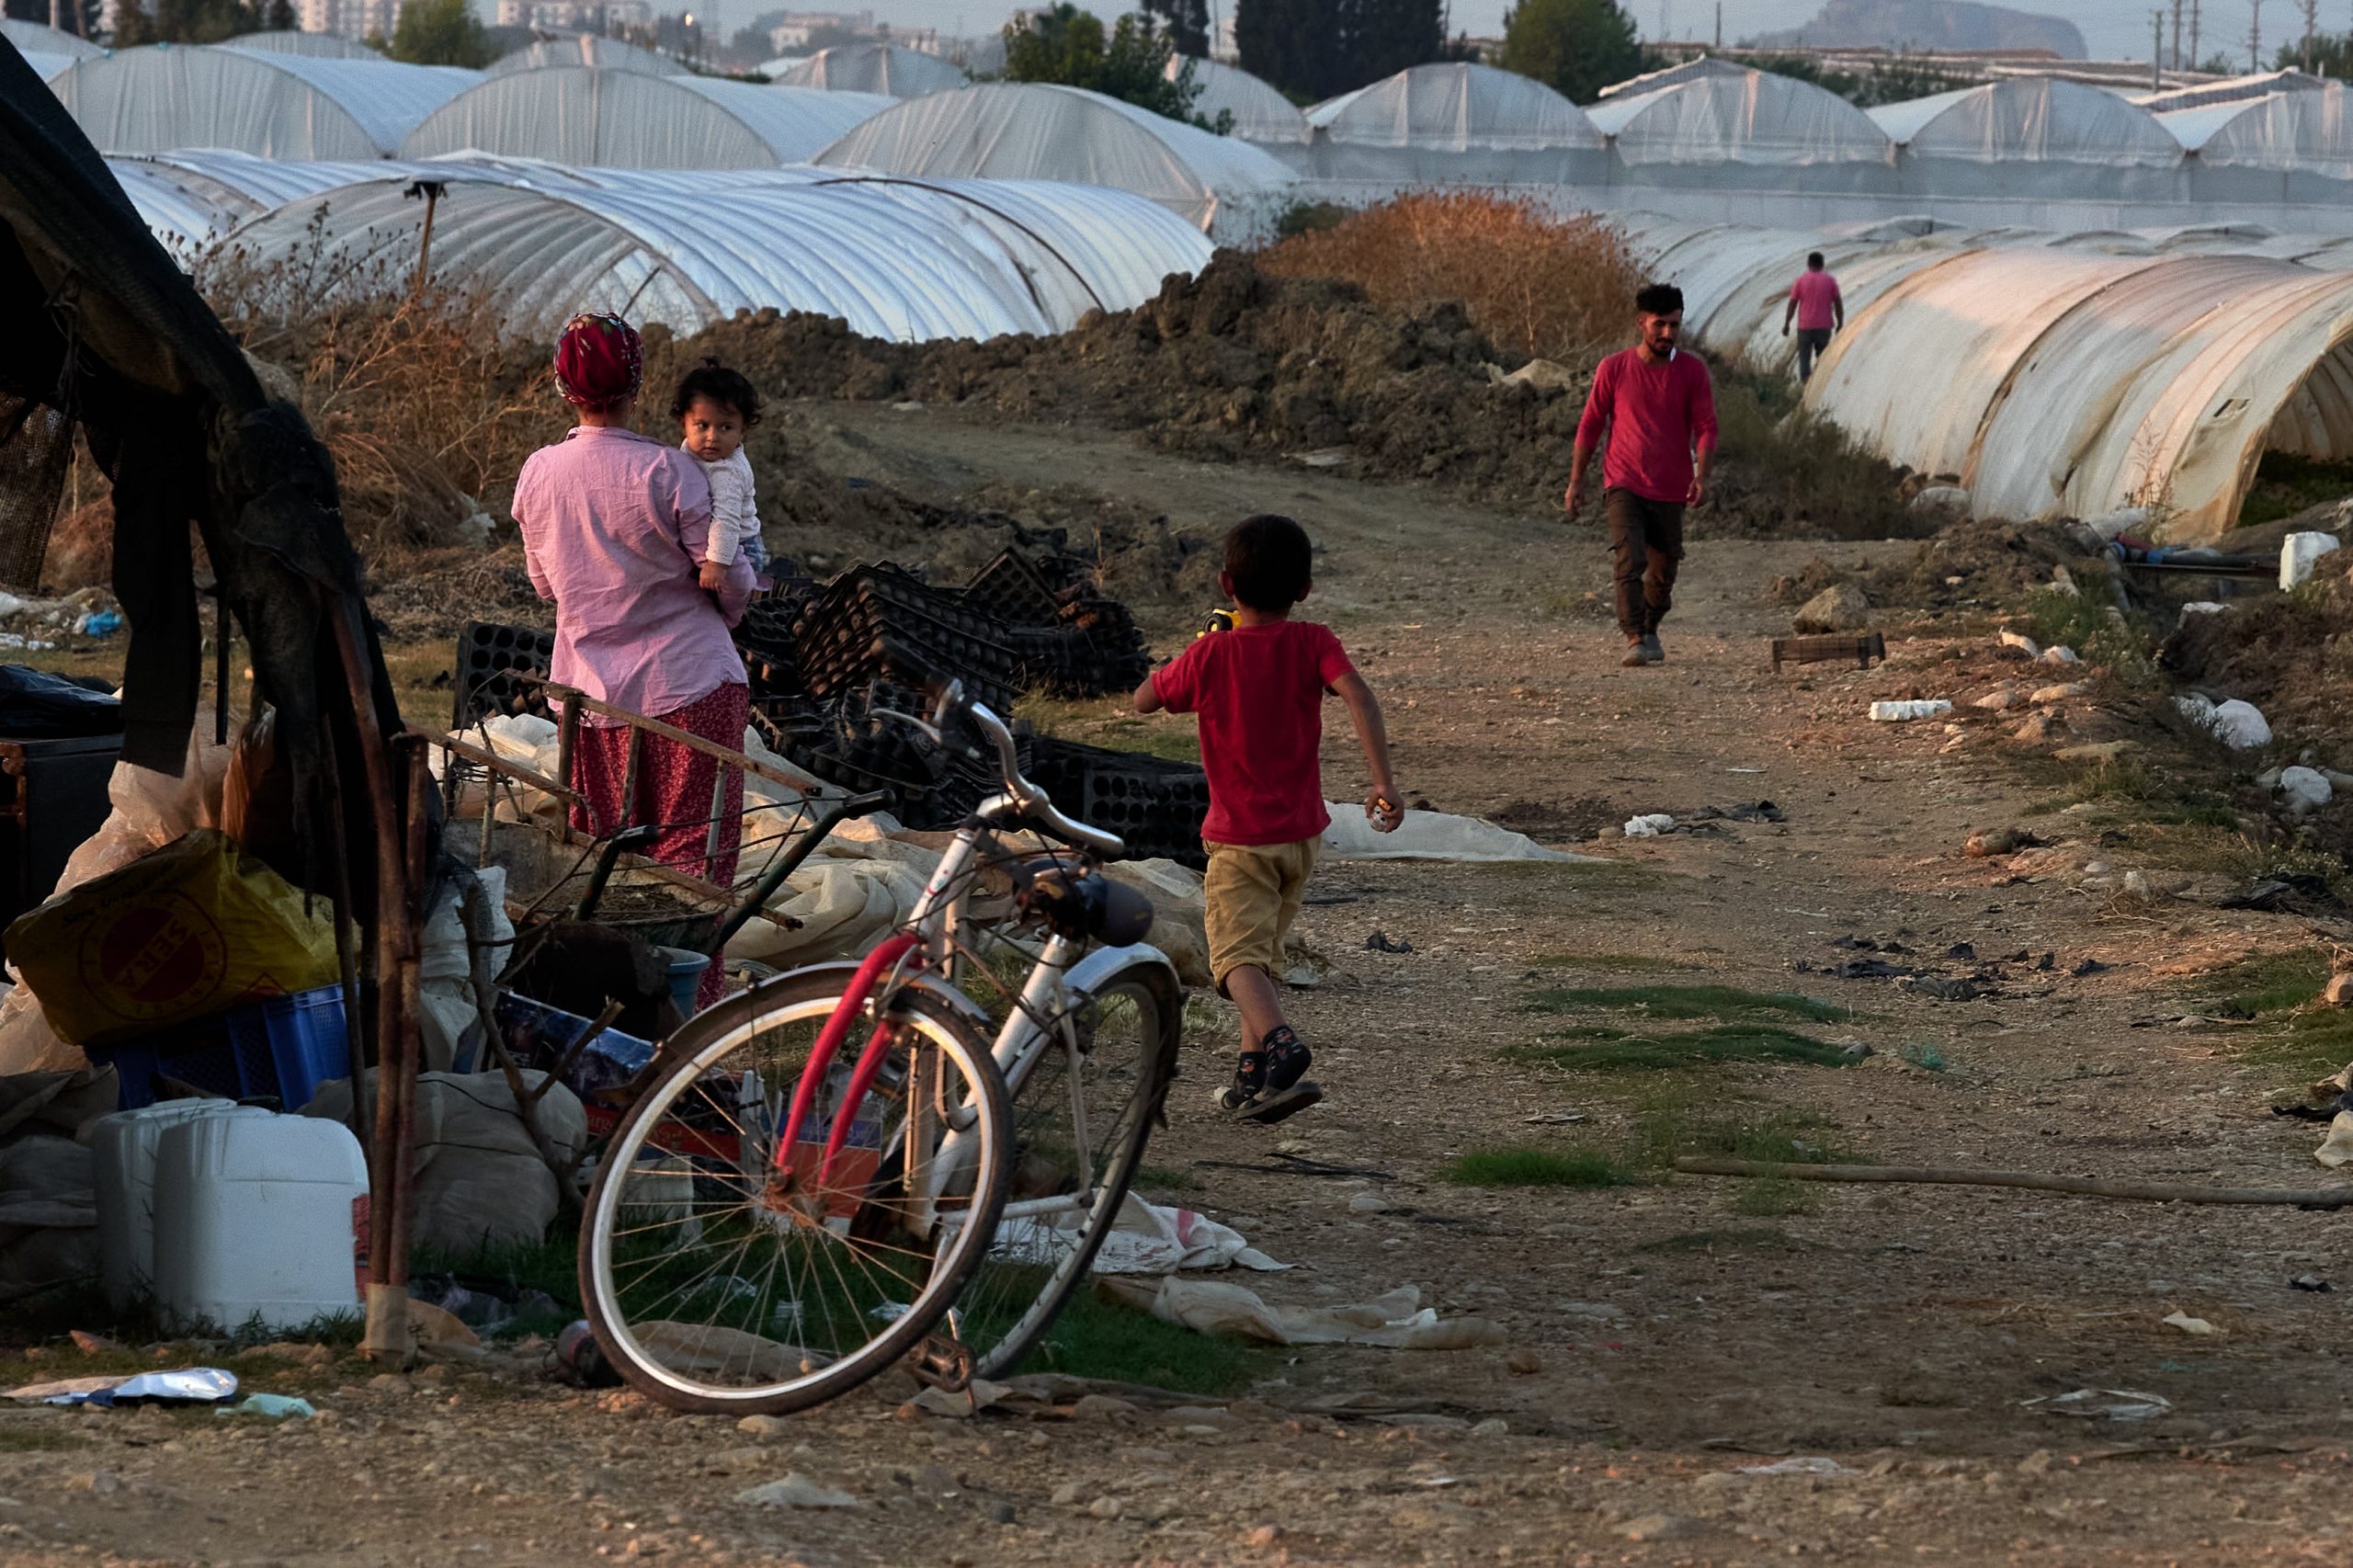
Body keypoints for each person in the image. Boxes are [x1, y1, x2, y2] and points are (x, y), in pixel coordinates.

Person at [513, 314, 757, 1003]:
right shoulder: (670, 470)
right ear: (638, 387)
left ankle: (606, 1016)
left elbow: (545, 586)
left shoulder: (538, 473)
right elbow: (727, 575)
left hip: (591, 702)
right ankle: (686, 1020)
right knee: (691, 865)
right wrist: (733, 604)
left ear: (563, 389)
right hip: (690, 688)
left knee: (602, 861)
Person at [1134, 515, 1403, 1123]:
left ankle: (1282, 1046)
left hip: (1239, 842)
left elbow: (1144, 700)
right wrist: (1383, 782)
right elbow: (1359, 696)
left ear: (1227, 584)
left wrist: (1202, 643)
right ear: (1304, 589)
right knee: (1262, 956)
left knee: (1234, 961)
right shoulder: (1313, 642)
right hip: (1300, 839)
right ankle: (1252, 1078)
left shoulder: (1210, 655)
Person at [1564, 282, 1718, 668]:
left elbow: (1706, 426)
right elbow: (1591, 424)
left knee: (1664, 570)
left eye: (1674, 326)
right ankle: (1634, 635)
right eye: (1659, 325)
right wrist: (1576, 480)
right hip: (1624, 482)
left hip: (1671, 487)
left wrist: (1702, 475)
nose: (1667, 333)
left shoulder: (1691, 371)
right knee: (1629, 558)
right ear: (1641, 323)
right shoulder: (1614, 368)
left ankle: (1650, 628)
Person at [672, 358, 768, 591]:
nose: (712, 437)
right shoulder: (689, 450)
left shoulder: (727, 471)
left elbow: (726, 520)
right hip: (710, 540)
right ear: (684, 423)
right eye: (702, 425)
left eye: (726, 427)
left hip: (739, 547)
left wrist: (717, 565)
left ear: (743, 430)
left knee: (729, 594)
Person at [1781, 251, 1844, 383]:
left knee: (1804, 360)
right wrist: (1840, 323)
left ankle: (1805, 385)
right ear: (1822, 264)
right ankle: (1819, 385)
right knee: (1823, 359)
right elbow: (1838, 303)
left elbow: (1792, 303)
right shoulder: (1830, 281)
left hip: (1805, 327)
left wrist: (1787, 323)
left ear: (1808, 264)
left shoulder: (1800, 281)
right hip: (1824, 326)